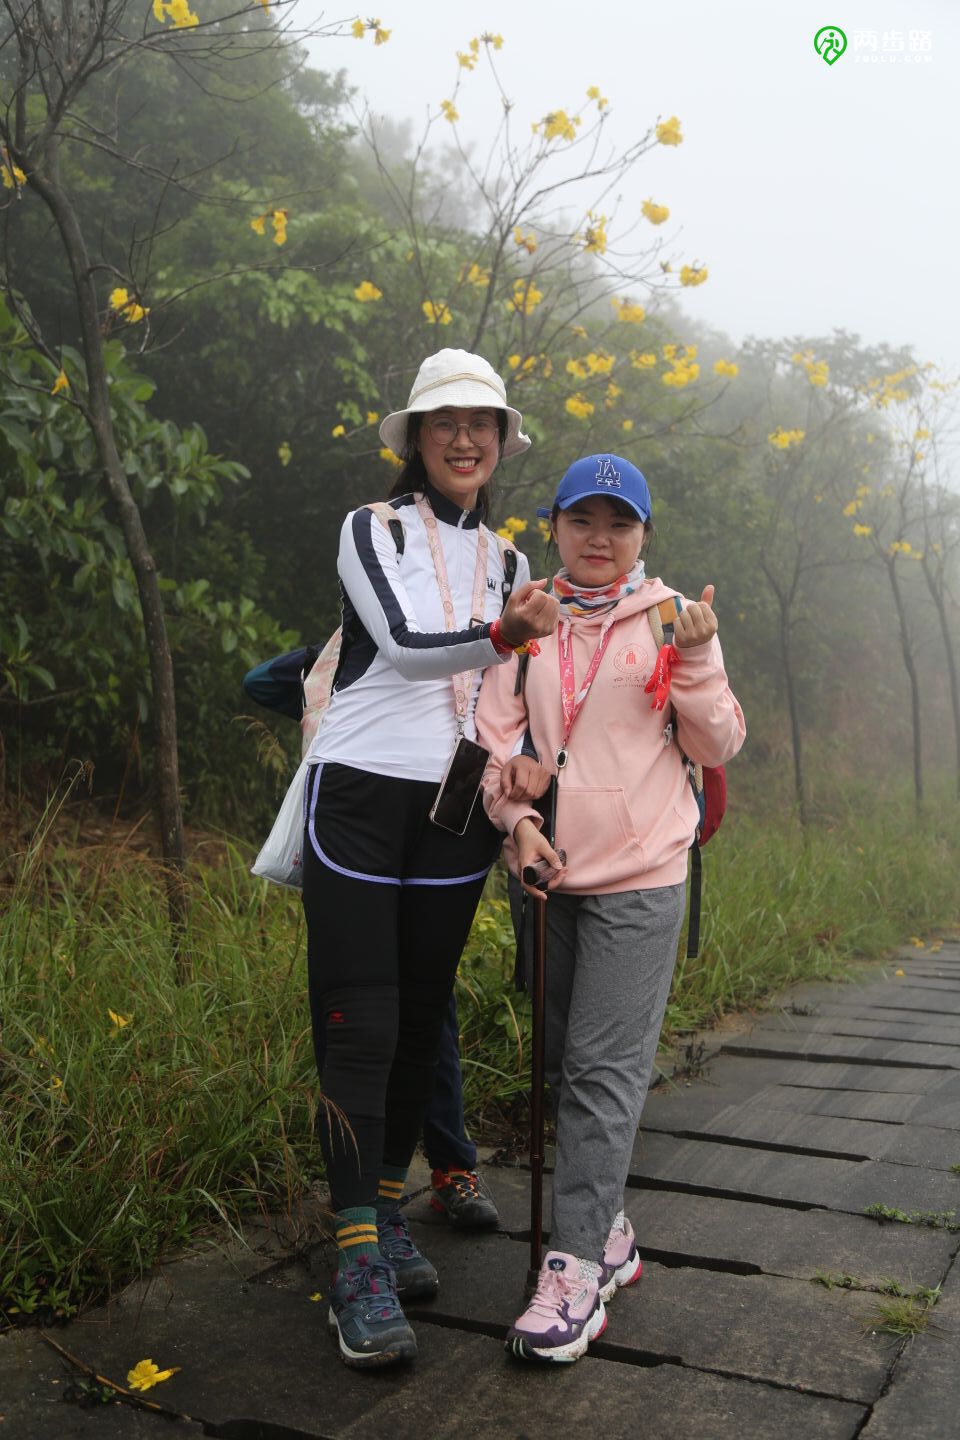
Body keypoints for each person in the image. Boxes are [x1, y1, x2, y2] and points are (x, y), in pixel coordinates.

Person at [300, 348, 559, 1369]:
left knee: (415, 1024)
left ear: (500, 444)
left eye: (481, 424)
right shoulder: (372, 528)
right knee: (360, 1027)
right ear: (415, 437)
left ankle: (388, 1210)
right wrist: (502, 632)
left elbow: (513, 709)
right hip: (361, 795)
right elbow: (406, 645)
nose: (463, 438)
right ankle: (355, 1257)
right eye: (443, 421)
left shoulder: (513, 564)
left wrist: (528, 787)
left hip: (455, 813)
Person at [475, 452, 745, 1364]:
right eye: (582, 521)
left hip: (642, 877)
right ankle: (612, 1228)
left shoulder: (673, 620)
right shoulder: (530, 620)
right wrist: (516, 822)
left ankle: (575, 1272)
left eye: (618, 524)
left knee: (599, 1076)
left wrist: (700, 659)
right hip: (548, 876)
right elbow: (495, 740)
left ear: (642, 536)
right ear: (552, 526)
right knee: (559, 1067)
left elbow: (718, 741)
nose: (600, 538)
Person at [241, 665, 499, 1231]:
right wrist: (343, 653)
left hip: (442, 833)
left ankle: (445, 1168)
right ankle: (367, 1207)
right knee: (360, 1021)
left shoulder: (474, 656)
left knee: (426, 1019)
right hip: (355, 834)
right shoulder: (353, 656)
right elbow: (258, 682)